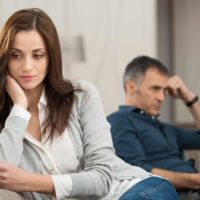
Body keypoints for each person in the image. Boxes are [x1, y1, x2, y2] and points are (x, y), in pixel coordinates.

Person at [0, 8, 179, 200]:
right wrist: (19, 107)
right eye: (16, 55)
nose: (27, 66)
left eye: (37, 55)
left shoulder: (81, 95)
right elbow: (3, 177)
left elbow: (102, 178)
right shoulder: (10, 120)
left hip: (132, 190)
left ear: (51, 58)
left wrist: (30, 181)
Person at [107, 55, 200, 200]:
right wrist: (195, 181)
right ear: (131, 87)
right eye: (155, 89)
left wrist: (188, 97)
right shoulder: (119, 120)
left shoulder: (167, 128)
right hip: (172, 193)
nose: (161, 98)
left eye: (164, 91)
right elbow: (138, 172)